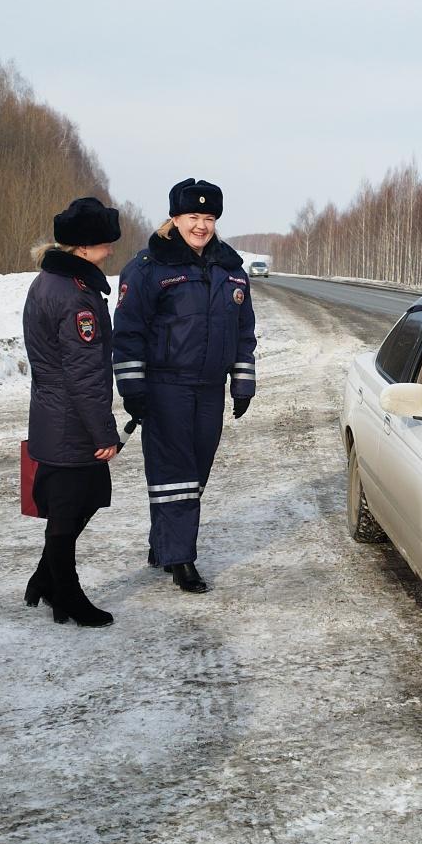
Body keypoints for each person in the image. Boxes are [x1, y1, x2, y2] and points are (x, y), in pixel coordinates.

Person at [111, 178, 257, 593]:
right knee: (174, 472)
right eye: (193, 216)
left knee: (195, 473)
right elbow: (128, 331)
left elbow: (244, 330)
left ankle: (164, 547)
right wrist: (133, 387)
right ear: (174, 218)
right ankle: (181, 559)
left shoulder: (231, 270)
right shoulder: (147, 268)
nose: (201, 225)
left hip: (209, 389)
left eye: (209, 218)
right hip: (165, 386)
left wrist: (242, 382)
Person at [22, 196, 124, 627]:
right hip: (72, 422)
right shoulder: (75, 298)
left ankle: (46, 580)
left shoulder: (51, 281)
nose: (111, 250)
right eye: (105, 243)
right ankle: (66, 593)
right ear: (84, 248)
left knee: (81, 503)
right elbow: (82, 374)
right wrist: (104, 433)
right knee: (69, 511)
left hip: (57, 414)